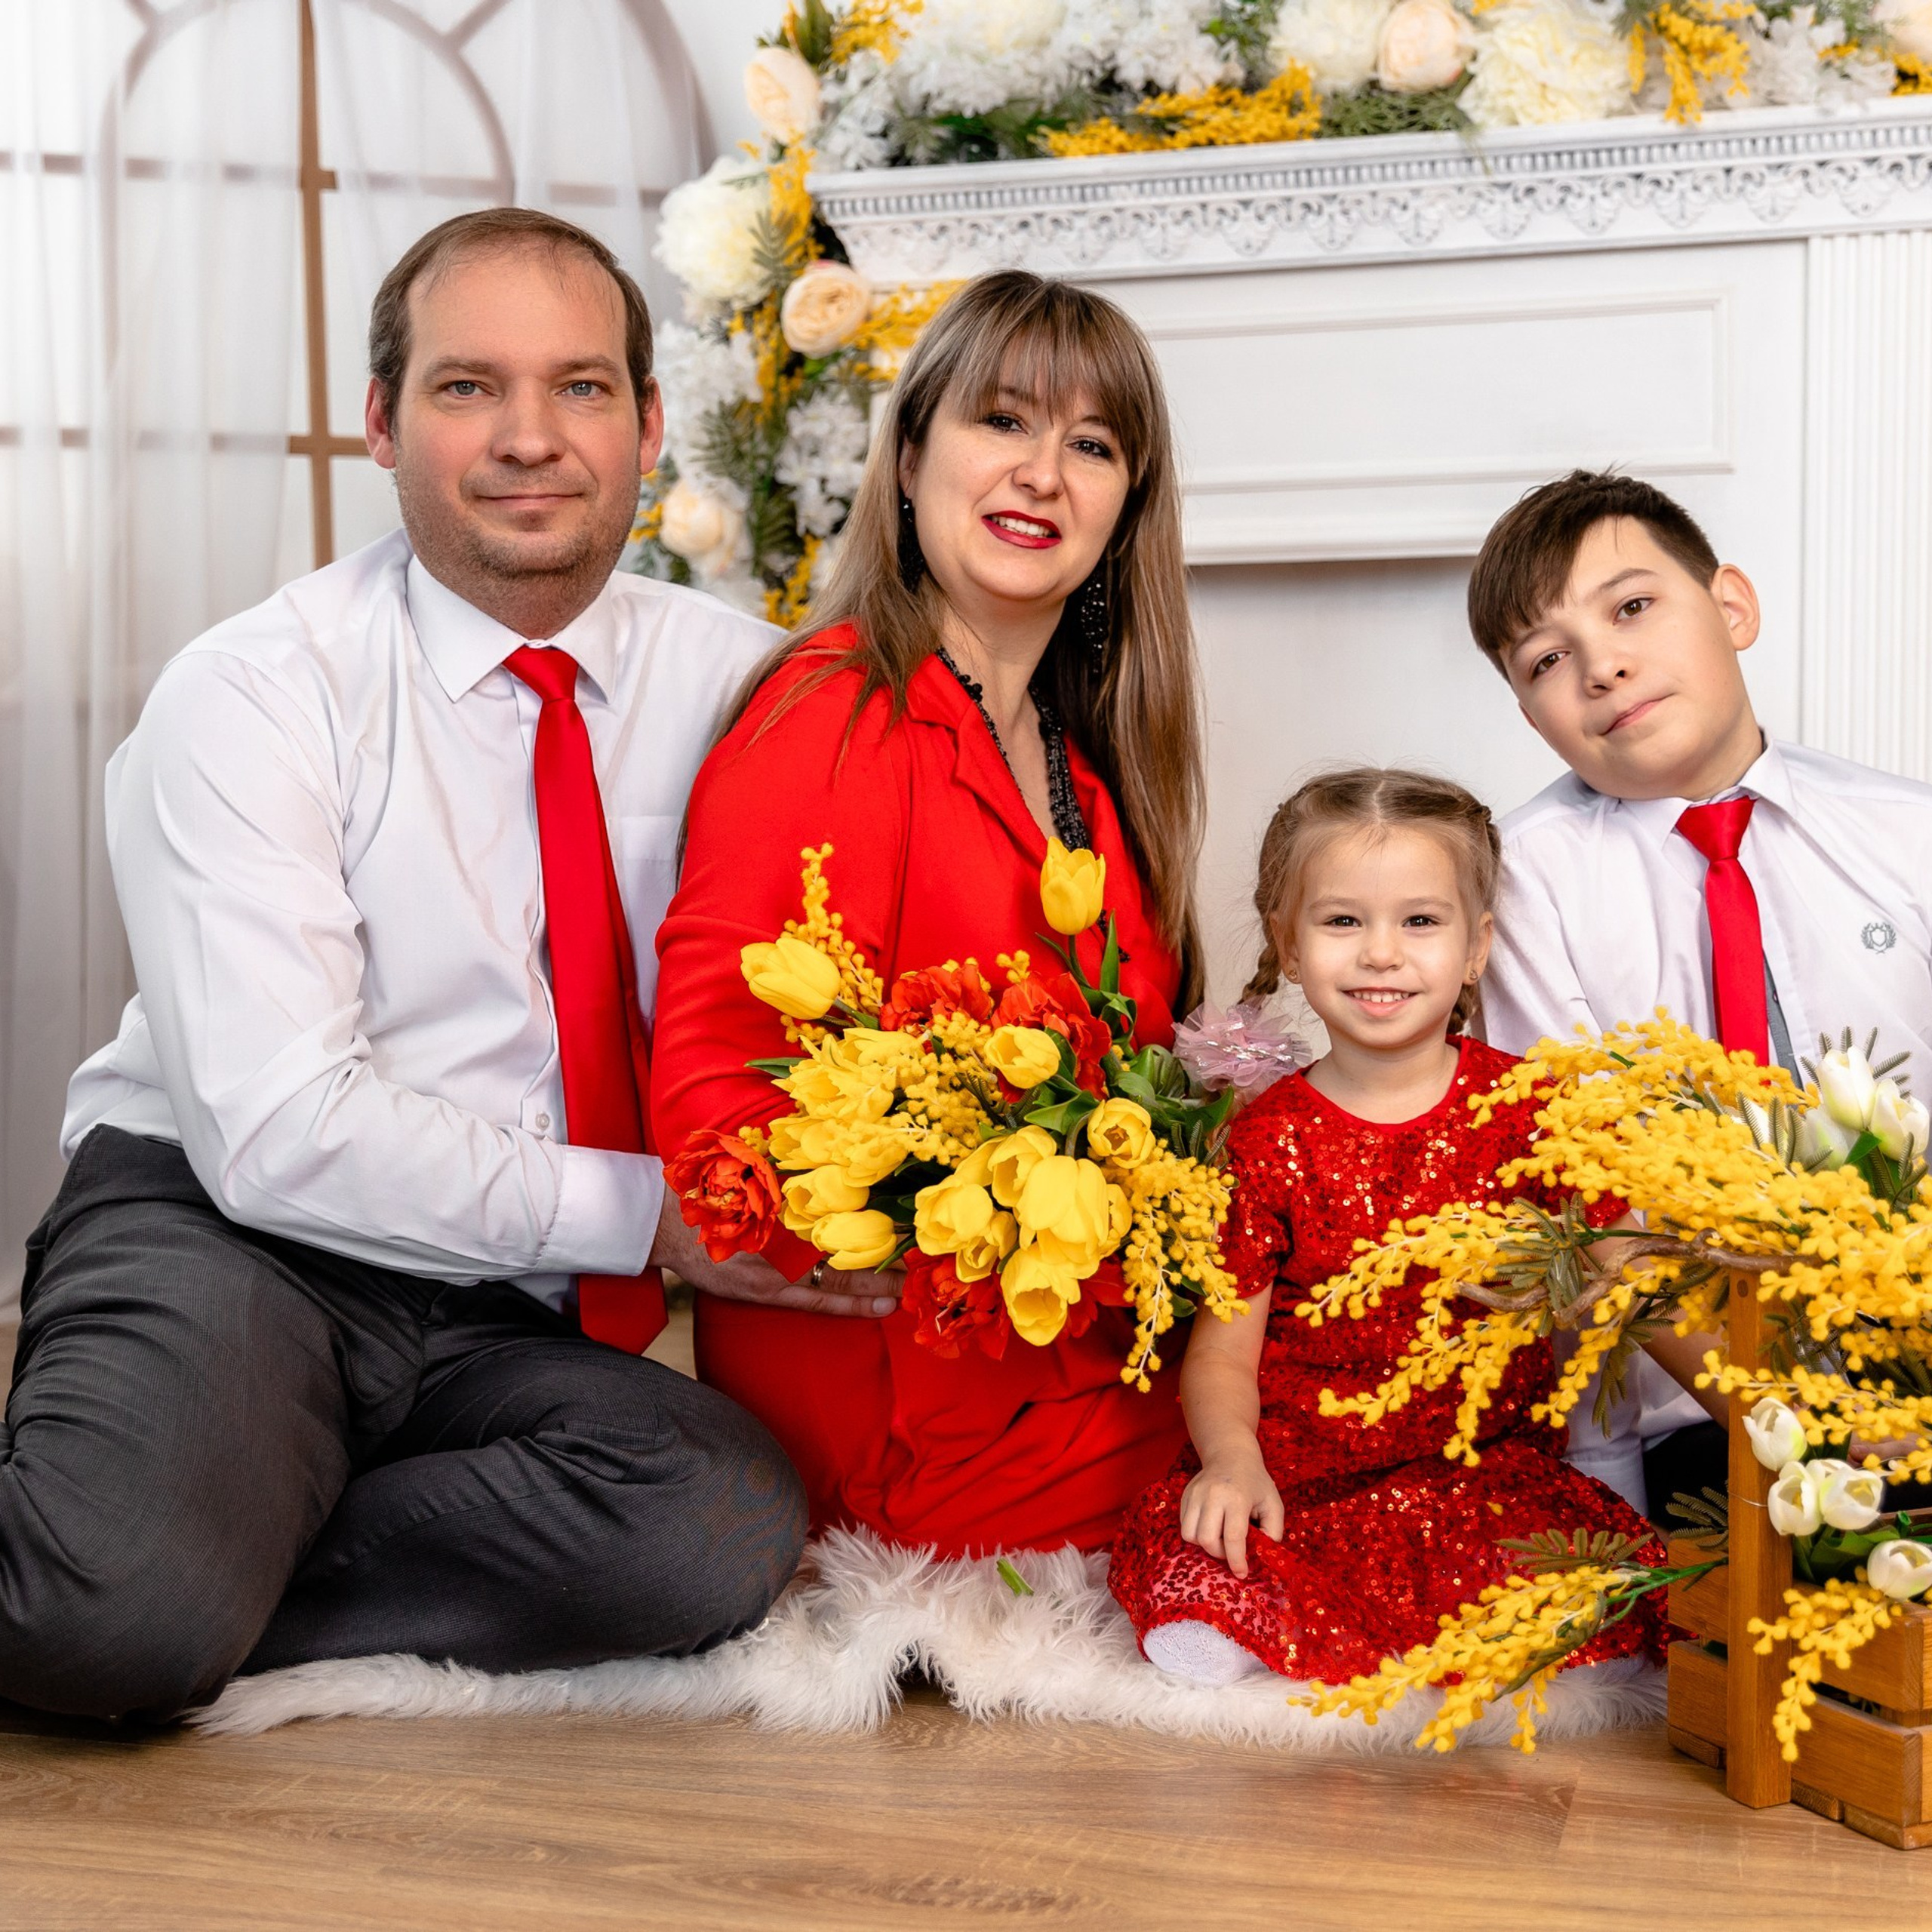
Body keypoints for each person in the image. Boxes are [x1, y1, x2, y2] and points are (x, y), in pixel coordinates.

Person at [0, 208, 838, 1724]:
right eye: (468, 388)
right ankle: (145, 1557)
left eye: (581, 387)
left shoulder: (749, 684)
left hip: (503, 1307)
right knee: (99, 1623)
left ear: (648, 423)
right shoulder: (256, 691)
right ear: (379, 423)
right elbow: (278, 1133)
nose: (531, 438)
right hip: (228, 1235)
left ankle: (204, 1542)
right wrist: (669, 1215)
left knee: (716, 1520)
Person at [652, 270, 1205, 1556]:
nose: (1043, 474)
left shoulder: (1082, 766)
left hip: (1068, 1350)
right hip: (903, 1389)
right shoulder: (828, 711)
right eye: (1001, 422)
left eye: (1093, 444)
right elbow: (713, 1113)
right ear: (910, 457)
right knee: (1314, 1456)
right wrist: (965, 1216)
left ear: (1126, 506)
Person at [1108, 770, 1675, 1686]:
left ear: (1476, 946)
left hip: (1479, 1467)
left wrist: (1756, 1401)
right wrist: (1231, 1459)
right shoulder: (1264, 1138)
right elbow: (1221, 1353)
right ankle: (1247, 1622)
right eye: (1341, 922)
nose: (1381, 953)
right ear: (1288, 947)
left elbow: (1638, 1283)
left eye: (1419, 921)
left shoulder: (1533, 1110)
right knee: (1205, 1563)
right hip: (1303, 1469)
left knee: (1584, 1594)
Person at [1470, 470, 1932, 1518]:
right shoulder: (1526, 884)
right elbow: (1590, 1207)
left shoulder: (1907, 835)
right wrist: (1795, 1427)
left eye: (1633, 608)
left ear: (1732, 607)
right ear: (1528, 712)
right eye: (1547, 661)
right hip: (1700, 1403)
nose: (1604, 665)